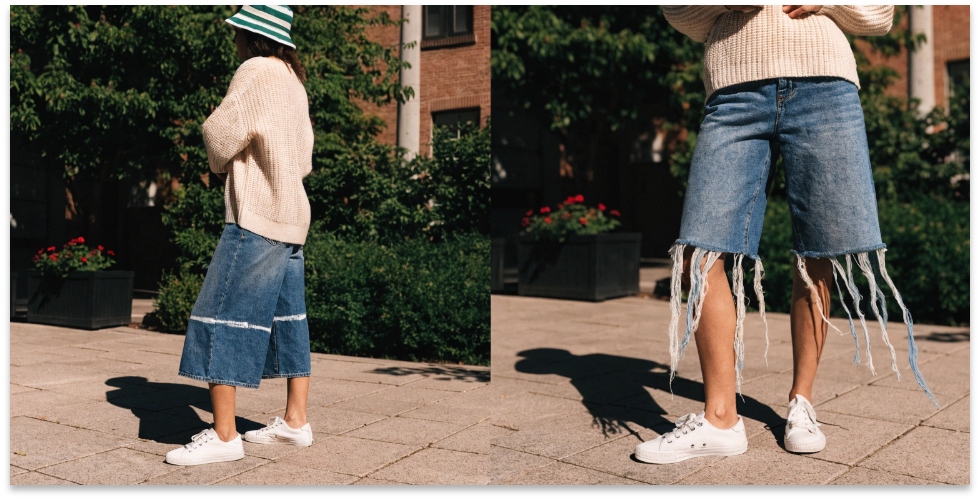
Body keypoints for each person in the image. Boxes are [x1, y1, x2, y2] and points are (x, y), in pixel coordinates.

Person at [635, 5, 936, 465]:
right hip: (734, 90)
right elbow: (680, 13)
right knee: (700, 246)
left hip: (826, 87)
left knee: (819, 250)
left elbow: (881, 14)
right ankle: (720, 421)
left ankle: (802, 404)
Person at [166, 5, 316, 466]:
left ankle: (225, 435)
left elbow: (221, 136)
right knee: (291, 320)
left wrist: (212, 120)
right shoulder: (293, 80)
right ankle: (295, 422)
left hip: (258, 218)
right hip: (292, 219)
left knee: (219, 316)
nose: (234, 41)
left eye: (237, 33)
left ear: (251, 36)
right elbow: (305, 158)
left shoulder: (254, 71)